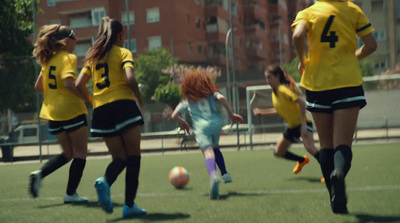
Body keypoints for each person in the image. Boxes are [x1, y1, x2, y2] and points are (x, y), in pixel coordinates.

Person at [292, 0, 377, 214]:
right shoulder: (353, 10)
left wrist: (303, 59)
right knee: (343, 143)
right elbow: (372, 44)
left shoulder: (309, 12)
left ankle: (334, 195)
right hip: (347, 81)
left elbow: (297, 35)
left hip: (318, 83)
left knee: (326, 145)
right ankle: (338, 173)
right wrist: (354, 56)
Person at [76, 17, 145, 218]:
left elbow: (80, 83)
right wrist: (139, 98)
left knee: (119, 157)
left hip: (101, 111)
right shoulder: (123, 52)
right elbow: (130, 78)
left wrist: (93, 102)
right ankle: (129, 205)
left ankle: (105, 181)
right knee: (133, 157)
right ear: (120, 35)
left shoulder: (93, 57)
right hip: (123, 105)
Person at [30, 24, 89, 204]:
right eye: (75, 37)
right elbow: (70, 83)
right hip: (71, 110)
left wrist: (54, 95)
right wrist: (86, 99)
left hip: (52, 113)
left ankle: (40, 174)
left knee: (68, 152)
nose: (76, 41)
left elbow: (38, 86)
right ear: (67, 41)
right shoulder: (68, 58)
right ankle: (70, 194)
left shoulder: (49, 60)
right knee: (81, 152)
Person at [171, 70, 243, 199]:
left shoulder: (187, 100)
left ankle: (213, 175)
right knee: (215, 147)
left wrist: (183, 122)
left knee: (208, 151)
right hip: (216, 123)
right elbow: (221, 97)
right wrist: (231, 114)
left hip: (201, 127)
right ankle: (225, 173)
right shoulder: (210, 94)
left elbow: (174, 115)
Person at [253, 65, 320, 175]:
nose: (267, 81)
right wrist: (263, 112)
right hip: (293, 126)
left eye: (269, 77)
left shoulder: (283, 90)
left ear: (277, 76)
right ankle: (302, 160)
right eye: (266, 78)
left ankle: (331, 173)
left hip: (303, 123)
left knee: (311, 148)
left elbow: (302, 103)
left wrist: (303, 125)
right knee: (278, 152)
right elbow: (280, 109)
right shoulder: (274, 93)